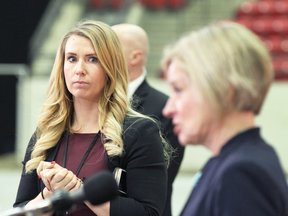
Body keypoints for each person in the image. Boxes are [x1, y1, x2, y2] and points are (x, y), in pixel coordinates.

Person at [13, 20, 171, 216]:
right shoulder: (47, 132)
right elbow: (20, 210)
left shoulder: (140, 131)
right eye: (71, 58)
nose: (79, 69)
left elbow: (148, 213)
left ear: (111, 68)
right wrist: (49, 194)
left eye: (92, 59)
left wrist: (78, 189)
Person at [161, 21, 288, 216]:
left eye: (179, 89)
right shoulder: (232, 161)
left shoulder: (241, 174)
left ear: (224, 91)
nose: (168, 109)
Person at [112, 23, 185, 216]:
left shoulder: (165, 109)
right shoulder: (91, 103)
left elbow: (160, 177)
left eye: (111, 47)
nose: (103, 54)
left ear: (135, 57)